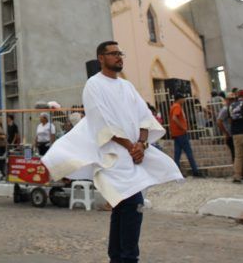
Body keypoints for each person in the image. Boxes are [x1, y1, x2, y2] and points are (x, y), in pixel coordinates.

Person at [42, 41, 182, 263]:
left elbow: (144, 117)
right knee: (133, 205)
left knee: (122, 207)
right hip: (112, 157)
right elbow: (102, 122)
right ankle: (128, 259)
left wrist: (142, 144)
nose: (119, 57)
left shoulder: (127, 87)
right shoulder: (94, 85)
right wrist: (130, 146)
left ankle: (117, 258)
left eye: (120, 53)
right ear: (101, 58)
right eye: (113, 53)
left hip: (135, 154)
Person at [169, 93, 202, 177]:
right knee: (188, 152)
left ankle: (176, 173)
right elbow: (174, 118)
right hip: (181, 133)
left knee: (177, 154)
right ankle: (195, 171)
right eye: (183, 98)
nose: (184, 100)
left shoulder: (173, 106)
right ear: (179, 99)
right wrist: (183, 127)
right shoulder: (177, 106)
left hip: (176, 133)